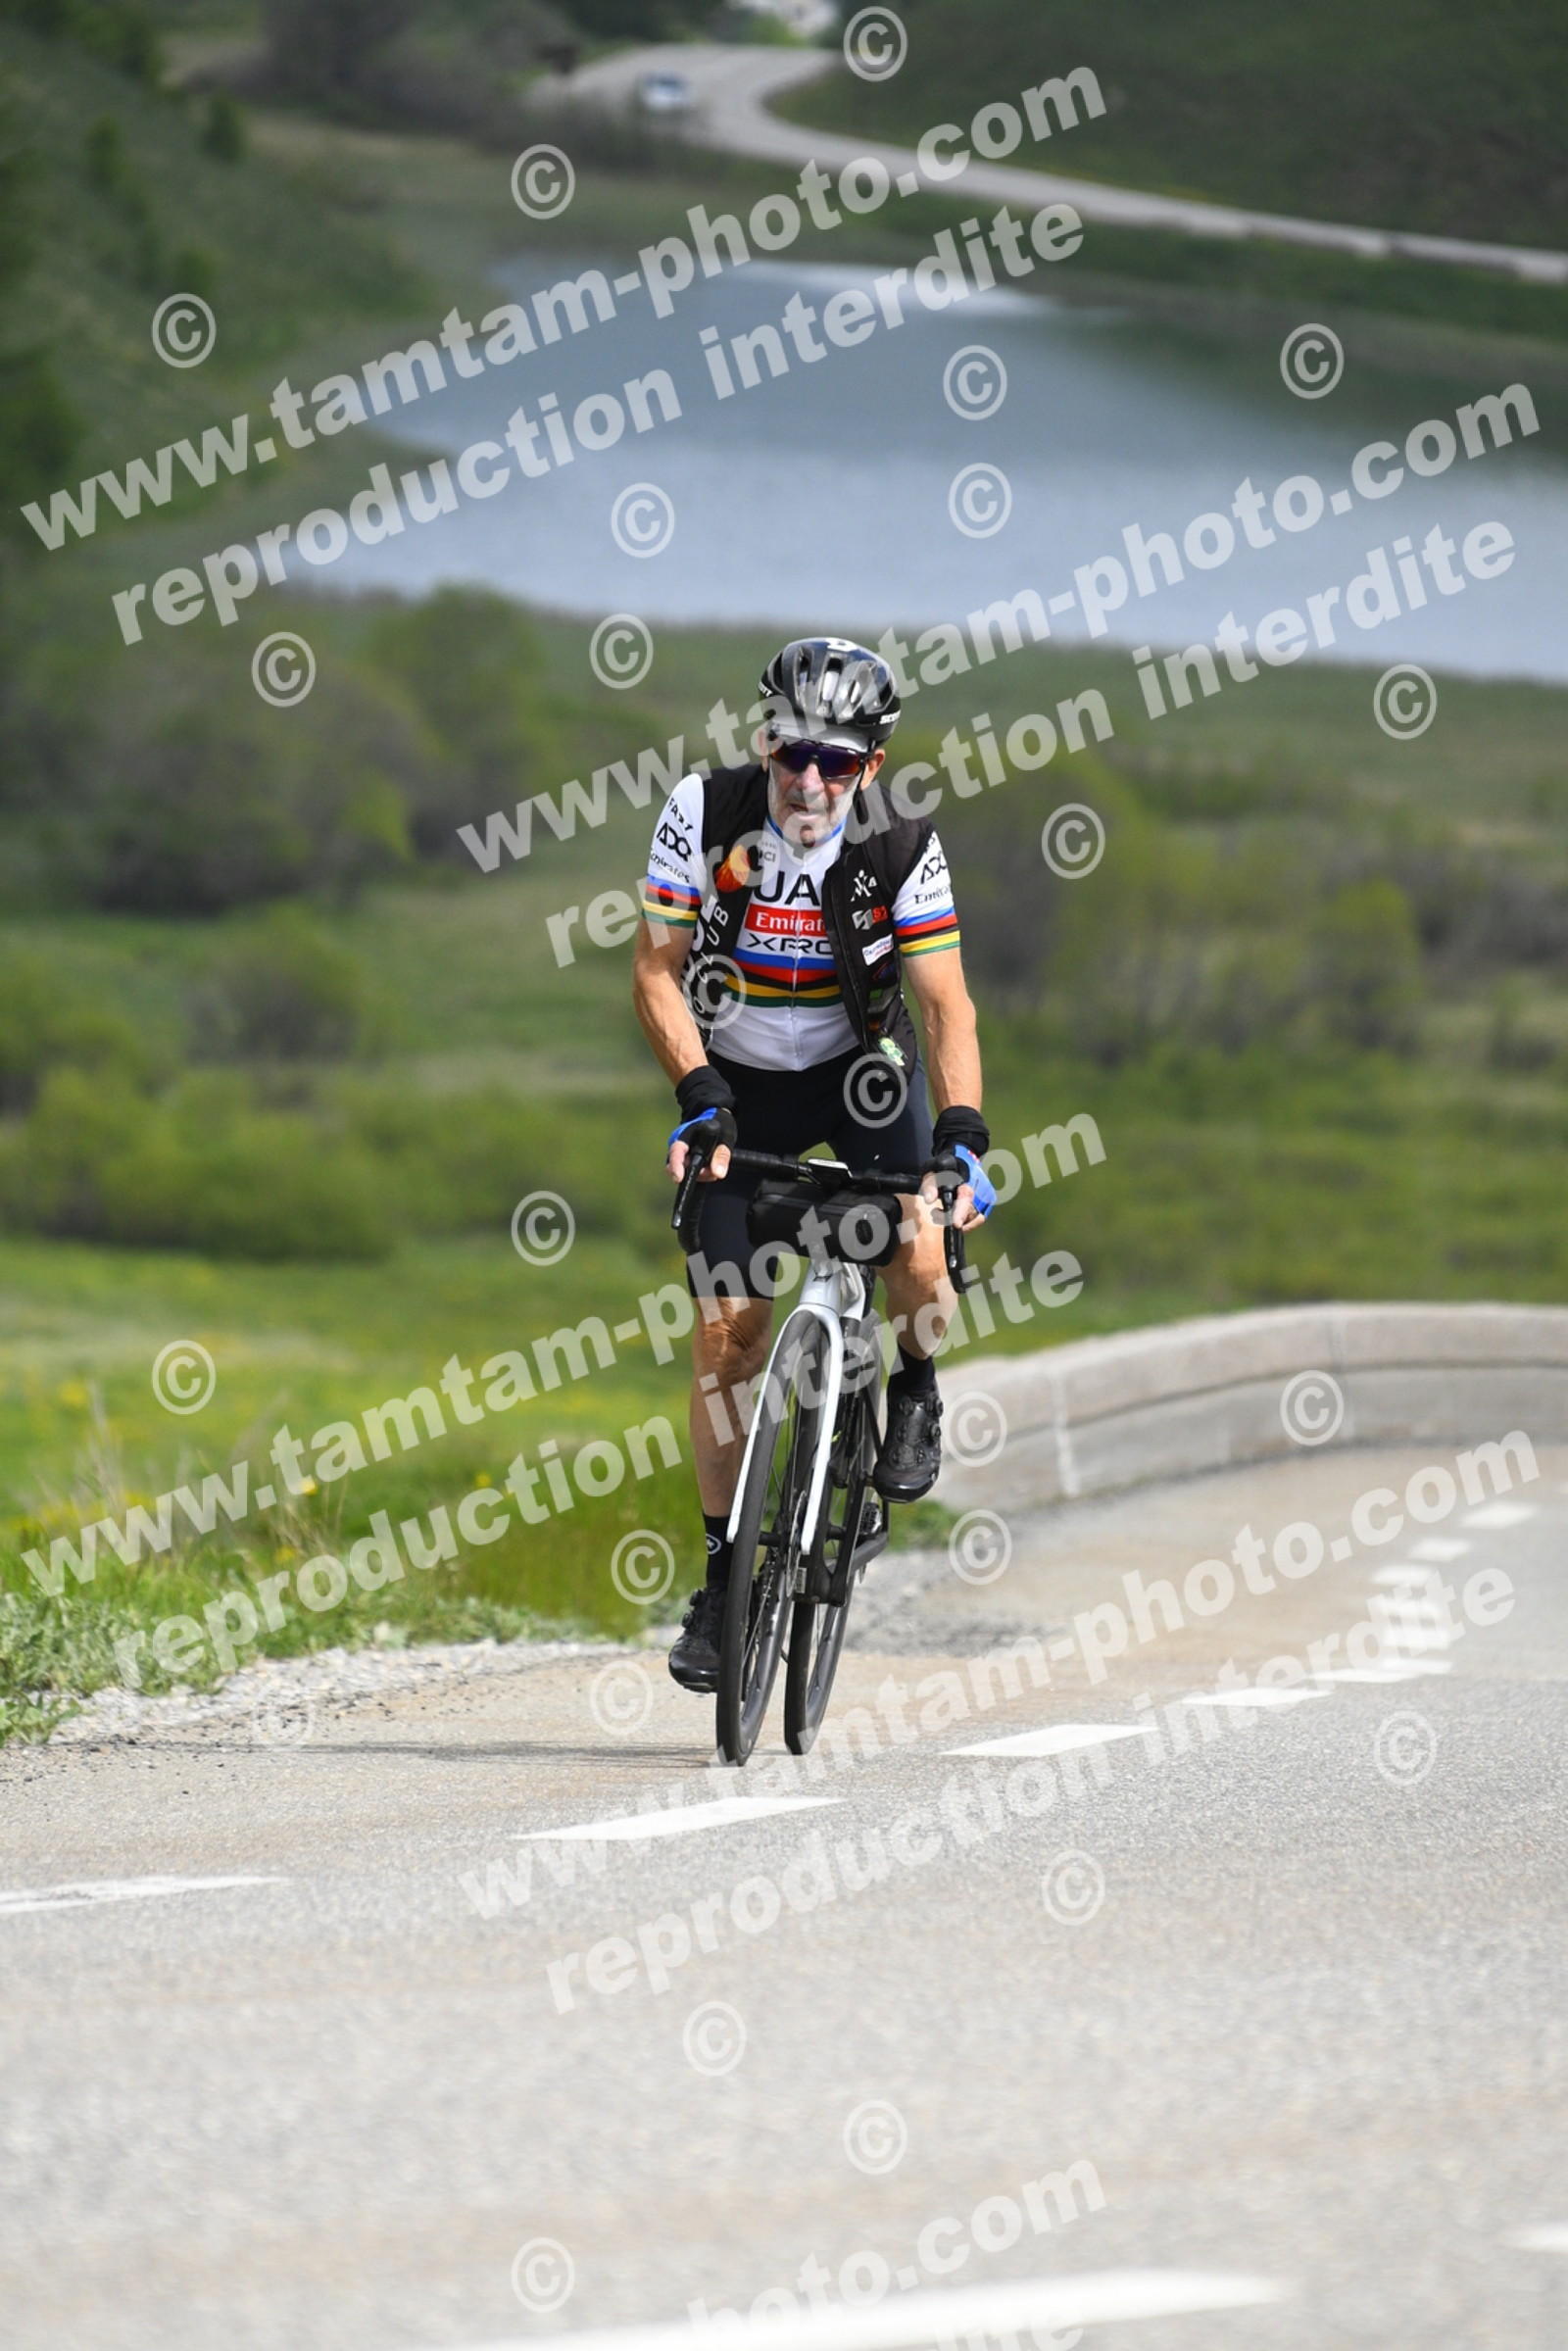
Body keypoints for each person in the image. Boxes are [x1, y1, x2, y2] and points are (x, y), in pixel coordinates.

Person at [631, 637, 994, 1694]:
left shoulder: (901, 843)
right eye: (793, 752)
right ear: (765, 743)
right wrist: (699, 1096)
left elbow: (943, 1003)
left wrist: (962, 1136)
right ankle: (721, 1583)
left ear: (869, 766)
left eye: (836, 761)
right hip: (738, 1083)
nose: (810, 780)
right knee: (725, 1338)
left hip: (859, 1076)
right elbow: (654, 972)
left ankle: (914, 1386)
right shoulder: (704, 812)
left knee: (917, 1250)